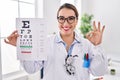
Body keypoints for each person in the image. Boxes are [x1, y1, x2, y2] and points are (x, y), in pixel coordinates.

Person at [4, 3, 108, 80]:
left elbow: (98, 71)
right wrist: (21, 47)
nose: (66, 23)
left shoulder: (86, 44)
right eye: (61, 18)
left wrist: (97, 46)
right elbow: (31, 69)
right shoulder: (45, 42)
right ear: (57, 20)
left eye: (71, 18)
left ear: (76, 21)